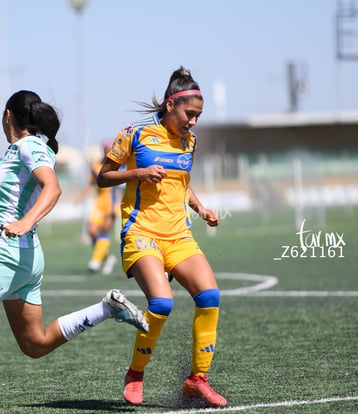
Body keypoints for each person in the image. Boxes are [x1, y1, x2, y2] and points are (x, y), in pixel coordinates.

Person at [97, 67, 228, 408]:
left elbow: (182, 184)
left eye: (198, 116)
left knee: (210, 296)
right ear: (171, 105)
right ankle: (136, 374)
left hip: (178, 234)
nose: (193, 122)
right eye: (190, 114)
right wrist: (139, 173)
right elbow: (103, 176)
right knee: (162, 303)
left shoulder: (190, 141)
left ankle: (197, 379)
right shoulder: (135, 133)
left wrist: (201, 208)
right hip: (141, 232)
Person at [0, 90, 148, 363]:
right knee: (35, 343)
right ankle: (106, 309)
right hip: (26, 255)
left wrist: (25, 221)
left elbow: (53, 188)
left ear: (8, 115)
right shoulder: (22, 151)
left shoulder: (28, 146)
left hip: (8, 251)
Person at [76, 140, 121, 275]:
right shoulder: (96, 166)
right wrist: (81, 197)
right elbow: (91, 183)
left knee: (104, 232)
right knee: (92, 231)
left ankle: (95, 261)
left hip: (112, 204)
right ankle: (108, 258)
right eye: (105, 148)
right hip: (99, 204)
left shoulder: (118, 164)